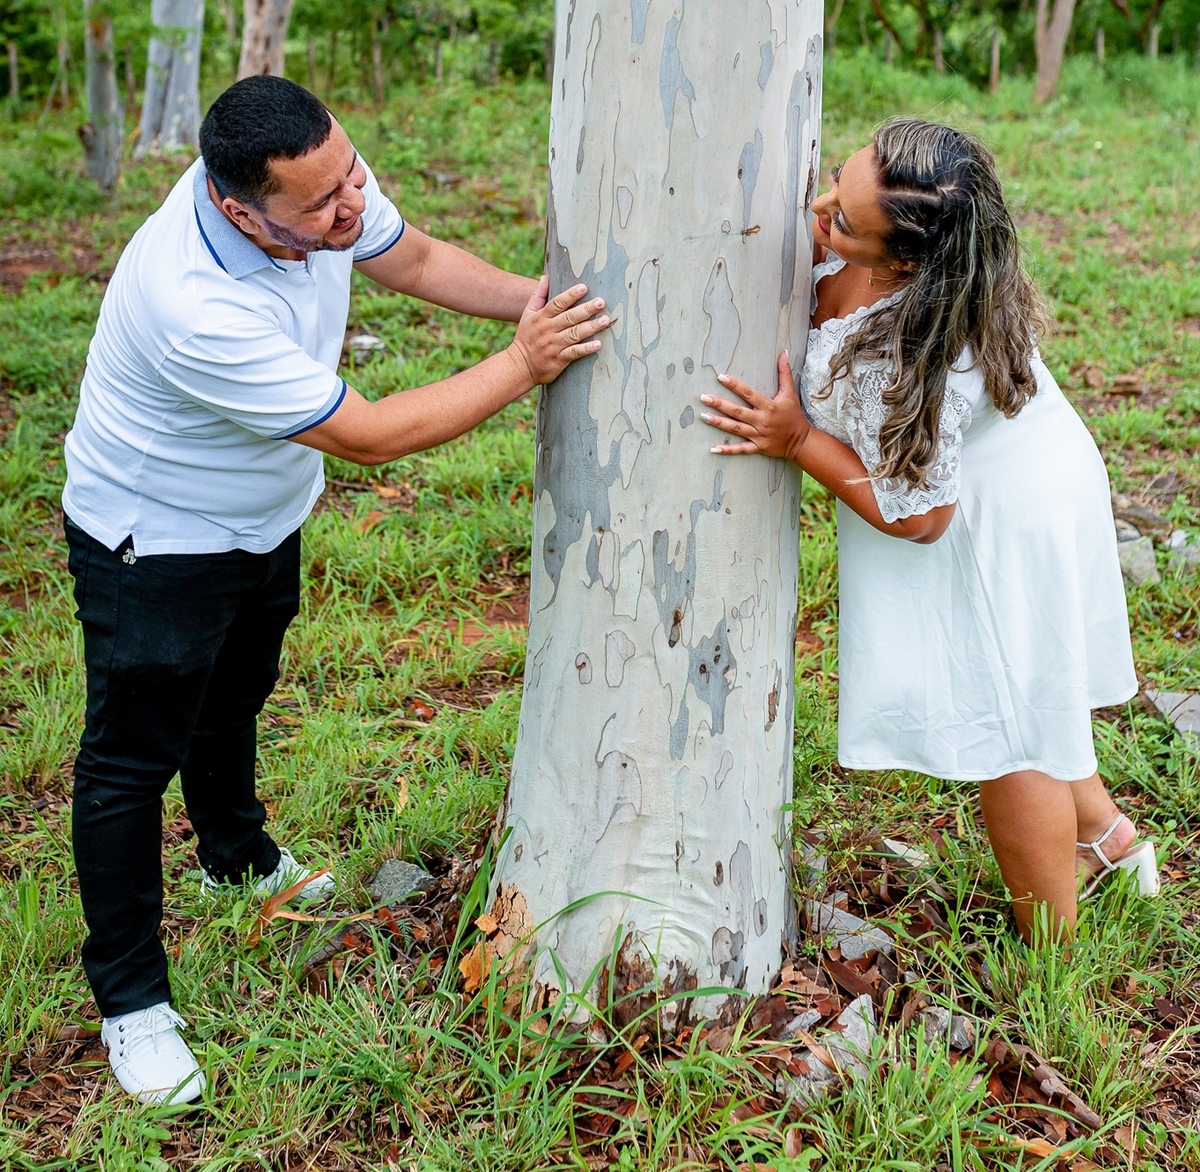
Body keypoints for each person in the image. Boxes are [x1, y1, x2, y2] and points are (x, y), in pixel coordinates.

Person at [62, 75, 609, 1107]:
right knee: (130, 762)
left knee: (234, 697)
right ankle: (132, 1003)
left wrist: (538, 301)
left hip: (262, 516)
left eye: (350, 173)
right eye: (320, 206)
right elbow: (371, 435)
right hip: (156, 540)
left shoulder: (317, 183)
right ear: (239, 209)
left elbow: (414, 255)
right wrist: (524, 361)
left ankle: (235, 854)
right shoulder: (191, 301)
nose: (348, 207)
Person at [698, 117, 1156, 943]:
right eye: (837, 179)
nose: (821, 204)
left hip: (998, 514)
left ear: (905, 258)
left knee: (1008, 729)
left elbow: (924, 516)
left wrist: (800, 437)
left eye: (843, 218)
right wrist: (832, 227)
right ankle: (1112, 839)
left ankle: (1052, 954)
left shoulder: (923, 343)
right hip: (1013, 462)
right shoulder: (895, 225)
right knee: (1033, 691)